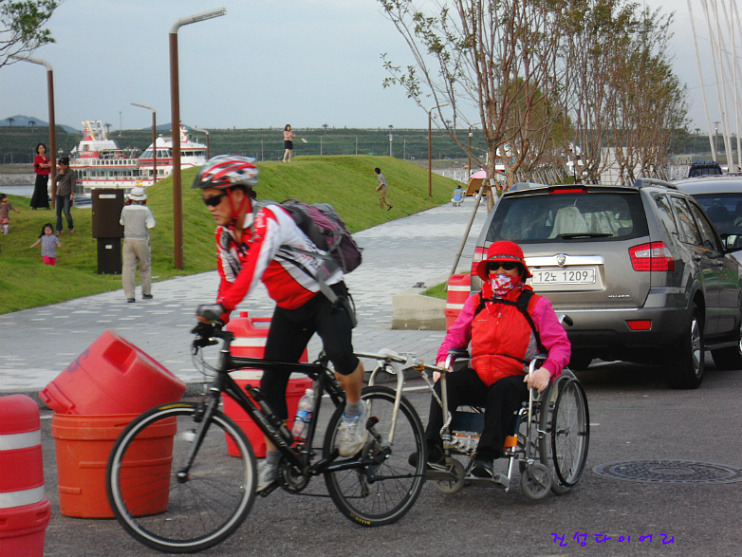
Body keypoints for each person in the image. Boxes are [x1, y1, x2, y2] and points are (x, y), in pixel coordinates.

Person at [191, 155, 366, 492]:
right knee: (271, 382)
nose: (209, 205)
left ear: (238, 195)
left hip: (325, 294)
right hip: (290, 307)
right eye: (206, 199)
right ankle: (275, 462)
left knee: (341, 355)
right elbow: (228, 283)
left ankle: (355, 412)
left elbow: (252, 272)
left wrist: (223, 306)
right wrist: (214, 321)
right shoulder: (225, 236)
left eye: (214, 198)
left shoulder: (269, 219)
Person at [421, 240, 570, 478]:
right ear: (487, 271)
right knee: (446, 384)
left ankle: (485, 458)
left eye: (507, 266)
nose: (500, 272)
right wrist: (443, 362)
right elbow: (455, 338)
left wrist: (546, 371)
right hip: (480, 374)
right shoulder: (476, 302)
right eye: (494, 266)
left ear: (520, 272)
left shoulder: (536, 305)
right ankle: (432, 450)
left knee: (502, 390)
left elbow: (560, 346)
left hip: (516, 377)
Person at [119, 186, 155, 303]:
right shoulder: (146, 210)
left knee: (128, 268)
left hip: (128, 240)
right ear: (142, 199)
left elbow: (122, 222)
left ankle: (130, 295)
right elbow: (151, 225)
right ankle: (146, 292)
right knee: (145, 266)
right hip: (141, 240)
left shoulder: (125, 209)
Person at [54, 156, 76, 235]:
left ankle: (71, 227)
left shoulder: (71, 172)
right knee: (58, 213)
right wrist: (59, 174)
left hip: (66, 194)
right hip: (58, 194)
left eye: (63, 165)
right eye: (61, 165)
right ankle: (59, 230)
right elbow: (55, 179)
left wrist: (72, 194)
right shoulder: (60, 171)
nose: (62, 167)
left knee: (66, 212)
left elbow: (73, 184)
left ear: (67, 164)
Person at [31, 143, 51, 210]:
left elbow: (50, 165)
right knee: (38, 189)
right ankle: (35, 205)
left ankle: (46, 205)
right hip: (40, 175)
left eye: (42, 148)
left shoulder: (46, 158)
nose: (41, 149)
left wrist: (46, 165)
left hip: (46, 175)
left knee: (44, 190)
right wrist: (46, 165)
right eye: (40, 148)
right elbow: (42, 166)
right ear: (38, 150)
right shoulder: (37, 157)